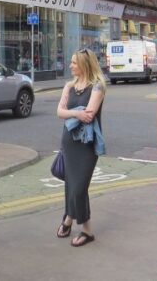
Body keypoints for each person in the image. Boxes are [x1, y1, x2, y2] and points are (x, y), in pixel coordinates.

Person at [55, 48, 106, 247]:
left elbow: (89, 114)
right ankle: (74, 223)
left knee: (79, 187)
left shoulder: (98, 86)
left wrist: (71, 112)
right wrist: (75, 114)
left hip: (87, 144)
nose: (70, 66)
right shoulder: (69, 86)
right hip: (69, 141)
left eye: (74, 63)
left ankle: (82, 228)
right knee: (71, 185)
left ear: (84, 64)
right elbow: (60, 112)